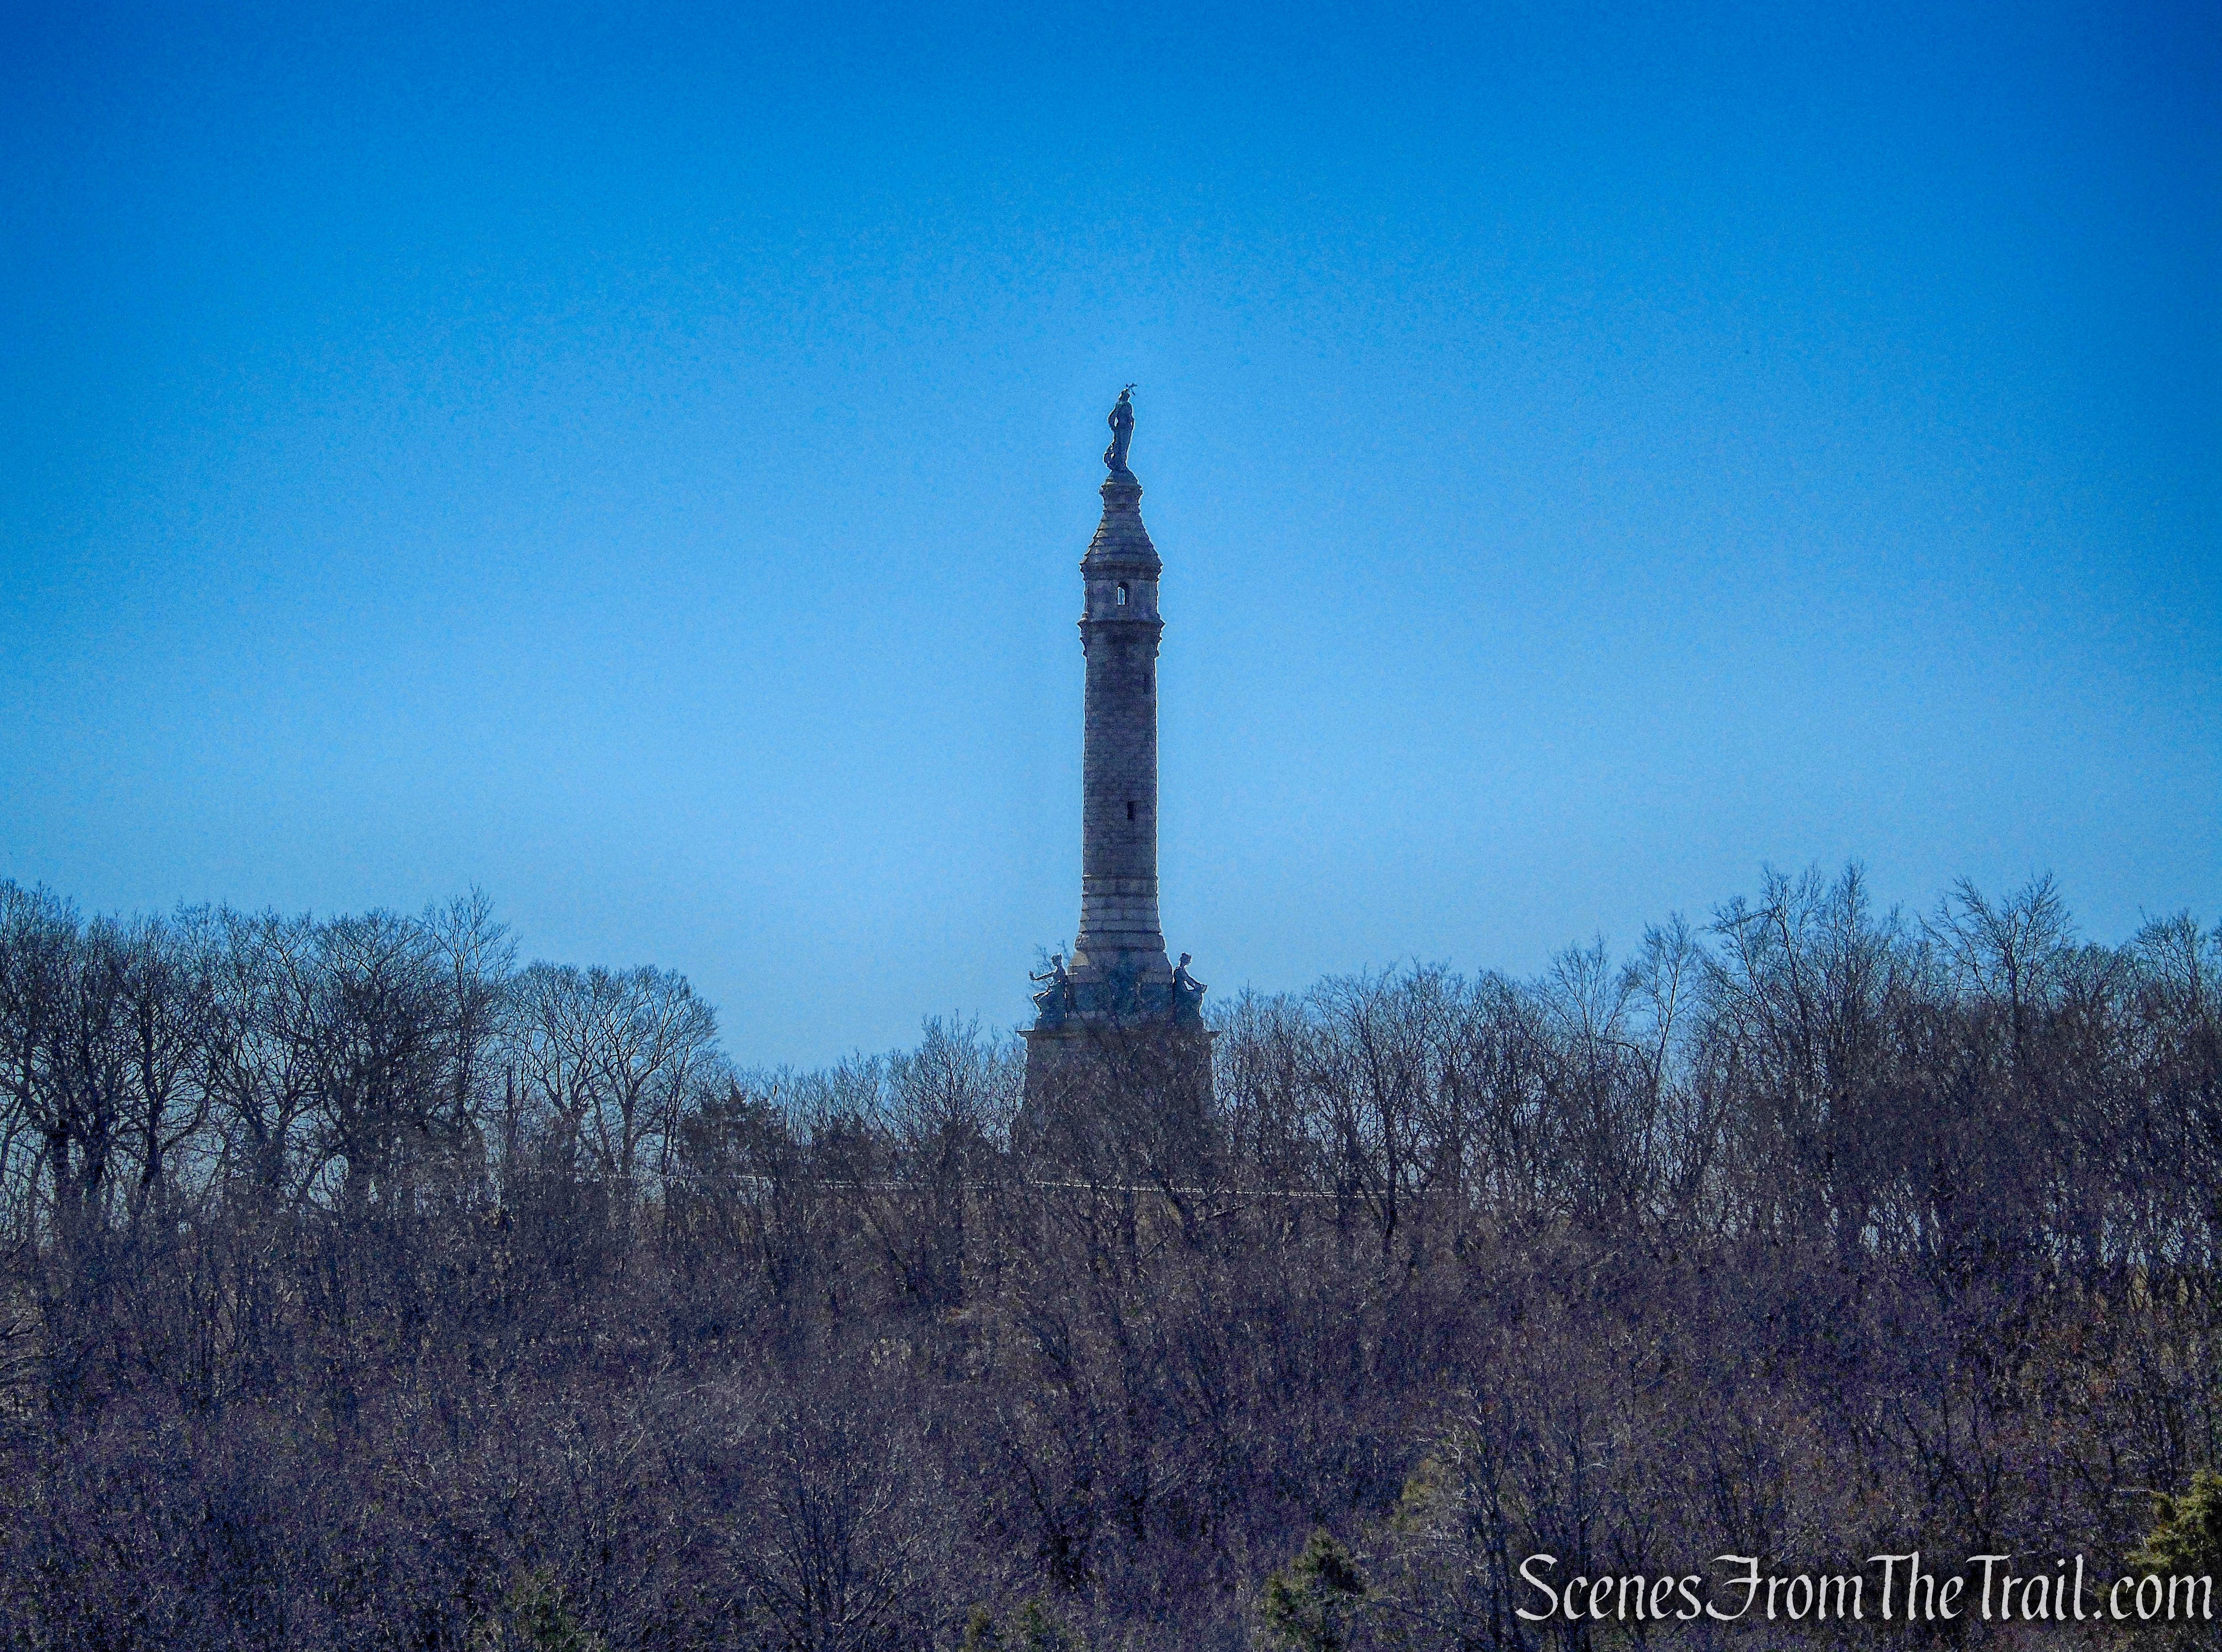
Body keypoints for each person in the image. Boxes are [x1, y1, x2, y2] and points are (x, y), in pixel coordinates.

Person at [1103, 385, 1136, 473]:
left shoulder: (1127, 405)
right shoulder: (1121, 405)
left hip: (1126, 429)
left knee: (1124, 447)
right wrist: (1114, 428)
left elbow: (1129, 417)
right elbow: (1112, 417)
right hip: (1122, 429)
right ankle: (1120, 464)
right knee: (1121, 446)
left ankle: (1122, 463)